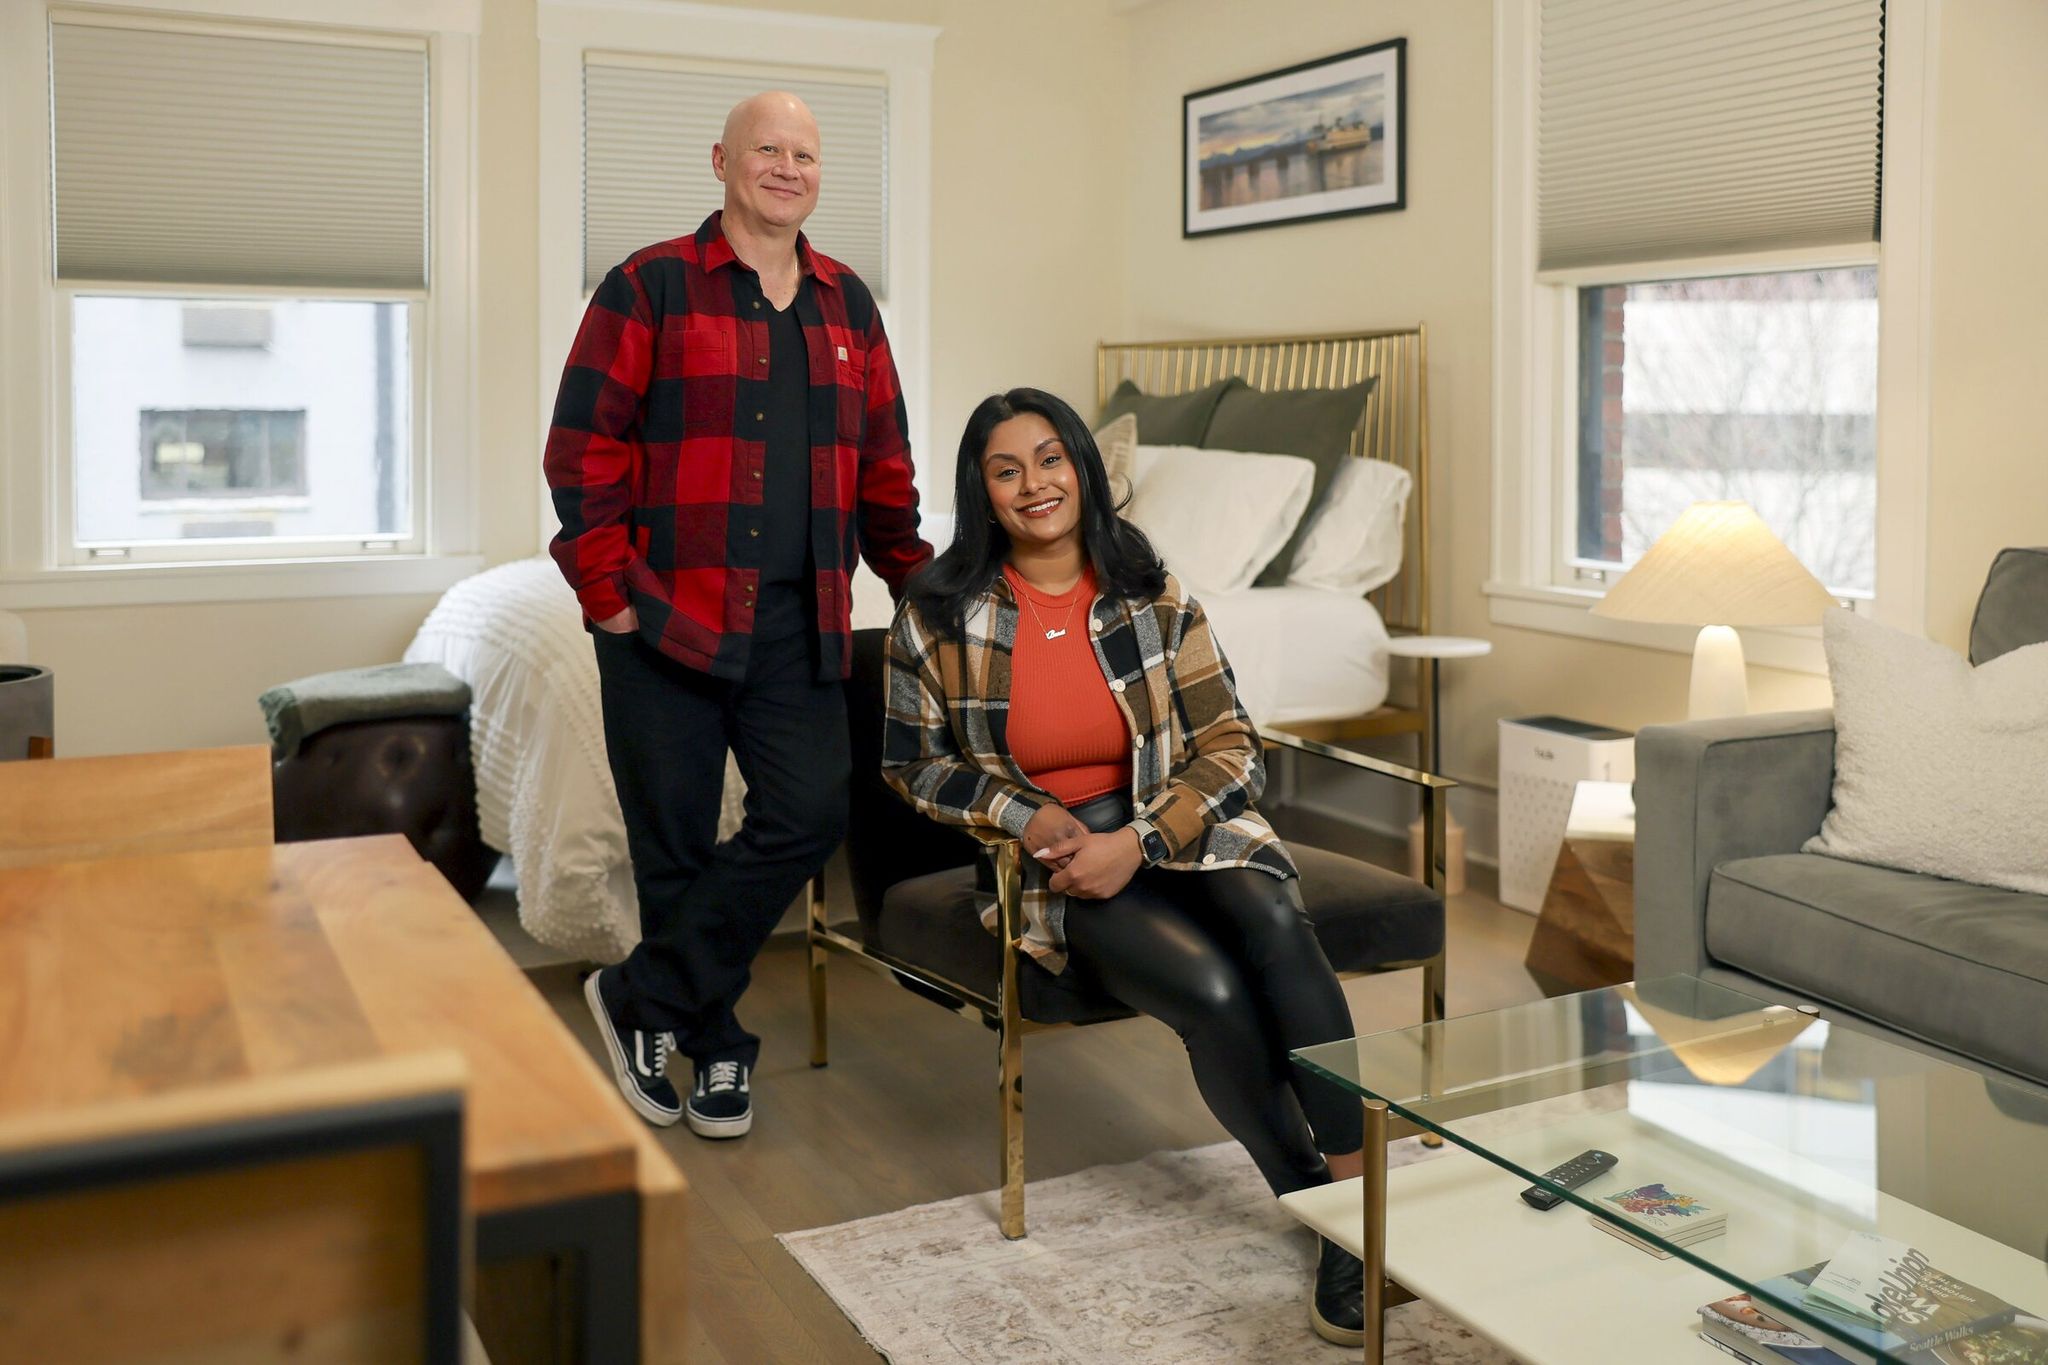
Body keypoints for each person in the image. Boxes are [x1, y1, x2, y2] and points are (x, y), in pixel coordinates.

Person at [879, 387, 1369, 1344]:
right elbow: (914, 763)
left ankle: (1362, 1205)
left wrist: (1140, 839)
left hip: (1173, 817)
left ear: (1084, 469)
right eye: (1007, 468)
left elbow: (1232, 744)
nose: (1035, 484)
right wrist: (1028, 814)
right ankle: (1321, 1210)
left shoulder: (1154, 591)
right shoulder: (939, 613)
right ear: (981, 491)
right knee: (1214, 993)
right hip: (1051, 852)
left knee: (1274, 924)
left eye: (1052, 458)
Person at [544, 91, 932, 1139]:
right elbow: (584, 447)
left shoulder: (849, 305)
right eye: (767, 148)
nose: (786, 167)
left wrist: (914, 584)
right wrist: (606, 594)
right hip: (662, 614)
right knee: (670, 846)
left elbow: (883, 463)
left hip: (798, 620)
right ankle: (713, 1047)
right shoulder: (648, 283)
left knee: (807, 813)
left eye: (804, 153)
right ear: (721, 159)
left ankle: (640, 997)